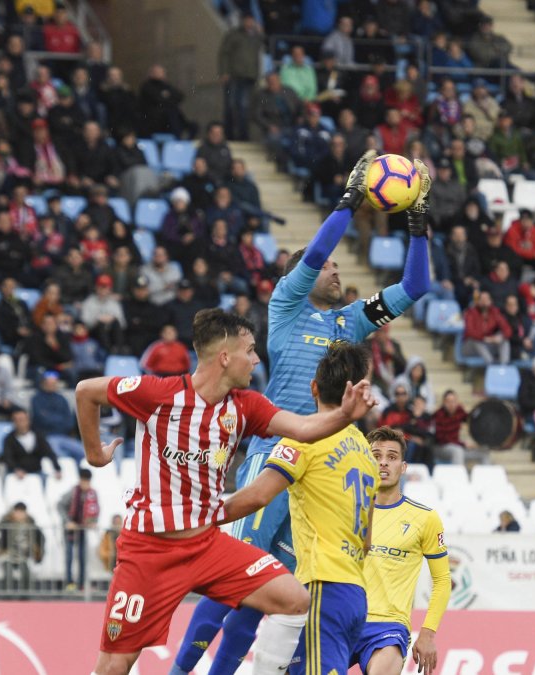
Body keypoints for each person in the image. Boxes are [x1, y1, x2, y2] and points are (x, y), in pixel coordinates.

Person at [172, 151, 432, 675]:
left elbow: (417, 287)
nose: (335, 270)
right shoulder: (286, 306)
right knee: (234, 578)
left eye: (337, 266)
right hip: (275, 451)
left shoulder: (350, 323)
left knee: (269, 590)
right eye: (329, 266)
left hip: (320, 472)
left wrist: (417, 222)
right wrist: (350, 201)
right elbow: (315, 254)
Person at [75, 310, 377, 675]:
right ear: (225, 356)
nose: (256, 359)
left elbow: (302, 427)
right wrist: (95, 454)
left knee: (294, 599)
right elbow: (86, 391)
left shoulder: (246, 406)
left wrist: (344, 415)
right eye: (250, 350)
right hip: (148, 551)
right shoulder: (157, 393)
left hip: (207, 545)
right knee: (114, 665)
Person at [212, 342, 379, 675]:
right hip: (354, 592)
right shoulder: (364, 447)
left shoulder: (304, 441)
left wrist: (202, 519)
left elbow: (259, 495)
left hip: (322, 586)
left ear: (313, 387)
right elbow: (367, 539)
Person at [349, 426, 449, 675]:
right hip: (342, 618)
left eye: (392, 457)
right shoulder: (345, 510)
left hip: (388, 627)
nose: (383, 463)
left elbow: (442, 580)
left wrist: (427, 633)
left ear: (403, 467)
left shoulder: (425, 518)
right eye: (376, 456)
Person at [0, 502, 45, 593]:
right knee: (8, 574)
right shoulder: (6, 522)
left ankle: (25, 599)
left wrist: (38, 554)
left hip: (23, 556)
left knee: (26, 574)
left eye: (22, 512)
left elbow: (41, 538)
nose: (19, 514)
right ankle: (7, 598)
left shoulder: (31, 524)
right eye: (17, 512)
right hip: (7, 554)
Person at [58, 467, 100, 592]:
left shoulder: (92, 494)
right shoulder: (72, 492)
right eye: (84, 481)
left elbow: (95, 510)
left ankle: (81, 583)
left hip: (82, 530)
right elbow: (60, 505)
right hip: (70, 530)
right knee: (69, 556)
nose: (85, 484)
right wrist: (68, 522)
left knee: (82, 557)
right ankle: (69, 582)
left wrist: (93, 522)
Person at [1, 409, 61, 478]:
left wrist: (57, 468)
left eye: (22, 420)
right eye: (17, 420)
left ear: (28, 420)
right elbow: (8, 458)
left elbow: (49, 452)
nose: (20, 423)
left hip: (37, 472)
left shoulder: (38, 436)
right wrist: (16, 470)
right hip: (16, 475)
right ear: (13, 422)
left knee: (48, 479)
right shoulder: (9, 439)